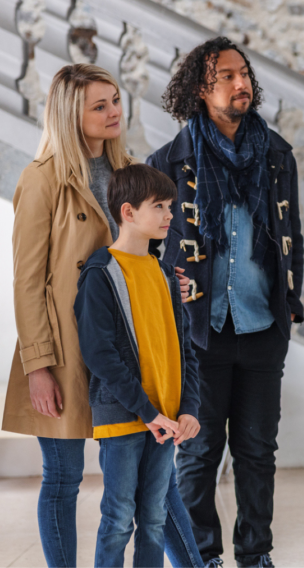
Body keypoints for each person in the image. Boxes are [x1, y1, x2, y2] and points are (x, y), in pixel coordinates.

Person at [0, 63, 204, 568]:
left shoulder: (129, 169)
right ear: (71, 113)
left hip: (132, 349)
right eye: (100, 105)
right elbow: (27, 281)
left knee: (156, 480)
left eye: (115, 100)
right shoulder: (41, 179)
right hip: (66, 349)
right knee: (64, 477)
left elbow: (139, 251)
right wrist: (38, 364)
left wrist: (164, 282)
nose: (115, 112)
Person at [148, 37, 304, 568]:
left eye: (245, 75)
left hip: (262, 326)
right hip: (199, 334)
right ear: (200, 89)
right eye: (228, 77)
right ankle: (203, 557)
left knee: (258, 453)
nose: (243, 85)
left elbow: (293, 238)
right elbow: (152, 252)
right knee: (197, 454)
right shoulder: (169, 162)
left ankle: (255, 554)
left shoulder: (277, 154)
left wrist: (288, 307)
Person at [75, 164, 202, 567]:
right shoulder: (100, 273)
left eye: (171, 206)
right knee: (117, 519)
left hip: (165, 420)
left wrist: (189, 408)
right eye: (160, 207)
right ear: (128, 212)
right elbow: (99, 354)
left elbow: (186, 350)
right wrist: (146, 411)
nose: (170, 215)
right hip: (127, 417)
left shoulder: (165, 274)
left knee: (153, 518)